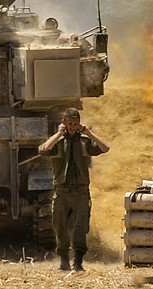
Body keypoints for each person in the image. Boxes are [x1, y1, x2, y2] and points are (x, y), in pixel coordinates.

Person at [38, 107, 110, 271]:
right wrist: (59, 134)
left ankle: (78, 261)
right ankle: (63, 259)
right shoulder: (57, 143)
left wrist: (89, 133)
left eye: (75, 124)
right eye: (69, 123)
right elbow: (43, 149)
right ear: (63, 123)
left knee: (80, 227)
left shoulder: (85, 142)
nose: (72, 126)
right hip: (61, 191)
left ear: (79, 124)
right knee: (60, 226)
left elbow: (105, 148)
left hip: (80, 192)